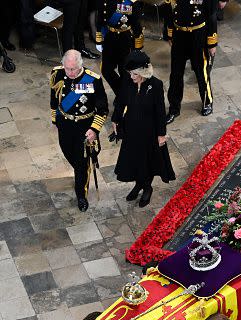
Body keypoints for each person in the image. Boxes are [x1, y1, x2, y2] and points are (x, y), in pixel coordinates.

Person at [111, 50, 175, 207]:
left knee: (147, 162)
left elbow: (160, 112)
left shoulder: (156, 85)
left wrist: (161, 134)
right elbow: (120, 101)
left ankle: (147, 188)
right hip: (131, 130)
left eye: (134, 74)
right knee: (134, 160)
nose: (131, 77)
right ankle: (139, 184)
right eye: (130, 74)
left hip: (149, 132)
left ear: (143, 73)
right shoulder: (128, 81)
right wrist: (116, 119)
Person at [50, 49, 108, 211]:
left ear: (81, 65)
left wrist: (94, 129)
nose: (71, 73)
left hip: (84, 127)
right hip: (65, 125)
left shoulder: (92, 80)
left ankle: (81, 194)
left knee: (81, 163)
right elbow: (54, 98)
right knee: (70, 156)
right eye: (67, 69)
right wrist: (55, 120)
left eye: (74, 69)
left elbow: (102, 108)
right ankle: (80, 173)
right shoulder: (57, 73)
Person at [163, 0, 218, 123]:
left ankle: (207, 102)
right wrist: (170, 34)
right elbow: (168, 12)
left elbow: (211, 17)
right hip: (179, 36)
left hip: (198, 36)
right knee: (176, 74)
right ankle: (174, 108)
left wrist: (212, 42)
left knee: (201, 72)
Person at [95, 0, 144, 96]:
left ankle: (124, 98)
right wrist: (99, 38)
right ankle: (122, 95)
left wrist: (137, 46)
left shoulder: (131, 2)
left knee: (125, 72)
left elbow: (136, 23)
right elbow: (100, 17)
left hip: (125, 39)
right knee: (106, 70)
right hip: (109, 37)